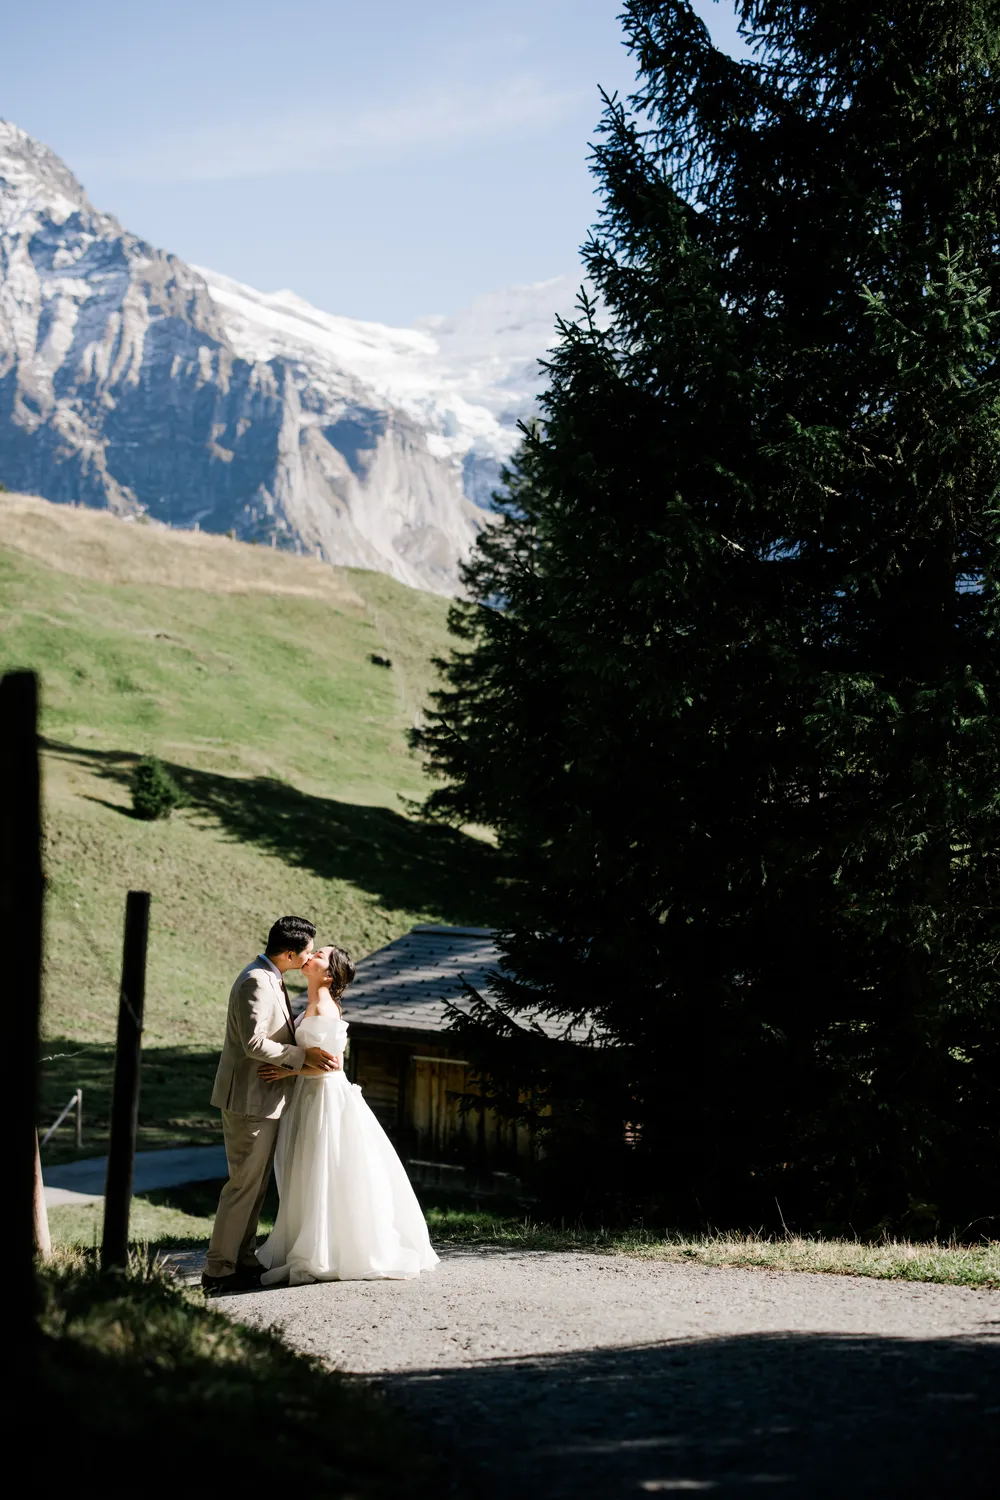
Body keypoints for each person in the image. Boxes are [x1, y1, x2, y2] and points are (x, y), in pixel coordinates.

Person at [255, 942, 439, 1284]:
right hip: (311, 1097)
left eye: (320, 955)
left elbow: (331, 1067)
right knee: (311, 1171)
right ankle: (315, 1241)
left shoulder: (323, 1009)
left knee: (322, 1169)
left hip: (323, 1097)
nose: (311, 956)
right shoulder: (314, 1003)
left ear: (329, 974)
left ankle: (325, 1250)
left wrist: (288, 1071)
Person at [202, 916, 341, 1294]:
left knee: (255, 1186)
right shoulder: (256, 981)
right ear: (290, 953)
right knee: (242, 1186)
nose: (311, 956)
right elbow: (253, 1043)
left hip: (264, 1098)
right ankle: (218, 1269)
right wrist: (302, 1056)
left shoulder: (270, 977)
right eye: (309, 951)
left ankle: (242, 1257)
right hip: (249, 1099)